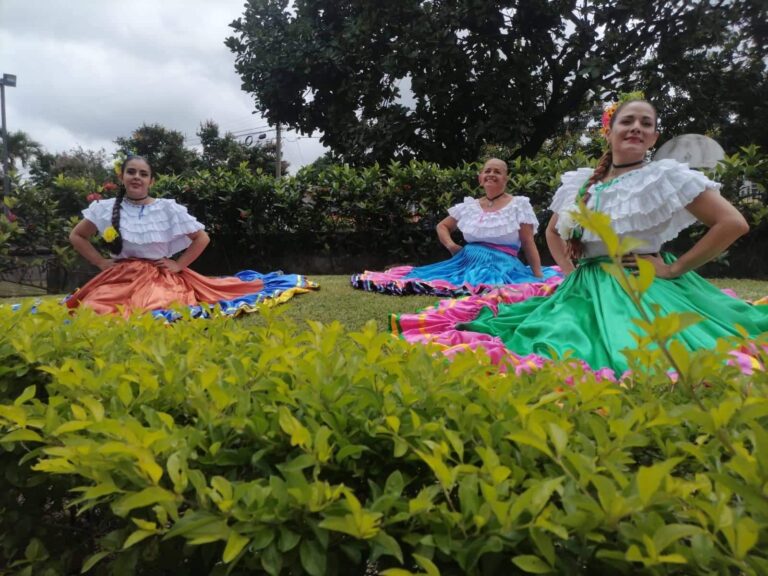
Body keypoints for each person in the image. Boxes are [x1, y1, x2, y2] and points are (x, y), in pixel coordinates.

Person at [393, 99, 768, 376]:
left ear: (654, 136)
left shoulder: (666, 176)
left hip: (642, 282)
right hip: (584, 284)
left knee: (642, 351)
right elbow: (555, 232)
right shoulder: (581, 181)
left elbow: (732, 222)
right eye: (627, 120)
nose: (636, 127)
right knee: (550, 337)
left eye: (646, 123)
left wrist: (676, 269)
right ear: (610, 130)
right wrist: (571, 270)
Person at [66, 155, 317, 318]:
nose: (137, 177)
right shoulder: (106, 207)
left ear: (151, 181)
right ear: (122, 176)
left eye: (143, 174)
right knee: (93, 310)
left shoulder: (166, 207)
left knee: (158, 309)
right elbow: (78, 236)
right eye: (131, 172)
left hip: (159, 277)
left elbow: (202, 238)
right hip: (119, 277)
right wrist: (100, 262)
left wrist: (178, 264)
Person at [351, 158, 562, 297]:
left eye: (497, 171)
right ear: (480, 178)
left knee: (491, 286)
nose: (491, 174)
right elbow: (442, 226)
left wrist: (537, 276)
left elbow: (527, 242)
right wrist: (452, 246)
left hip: (503, 264)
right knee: (428, 277)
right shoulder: (468, 206)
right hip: (465, 261)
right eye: (487, 171)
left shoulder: (519, 205)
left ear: (506, 178)